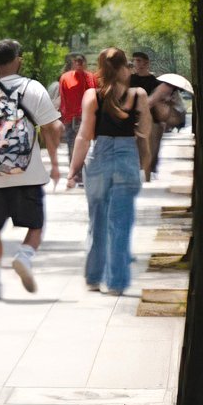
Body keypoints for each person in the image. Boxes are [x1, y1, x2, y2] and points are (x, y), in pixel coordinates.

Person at [0, 39, 63, 299]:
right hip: (28, 174)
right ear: (19, 60)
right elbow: (52, 128)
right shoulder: (33, 88)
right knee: (35, 226)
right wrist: (54, 164)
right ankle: (24, 256)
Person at [67, 48, 153, 295]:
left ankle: (94, 277)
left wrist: (73, 170)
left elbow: (84, 136)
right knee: (121, 223)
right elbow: (145, 131)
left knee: (98, 220)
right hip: (126, 158)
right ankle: (116, 282)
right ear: (125, 66)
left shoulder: (92, 95)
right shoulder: (138, 94)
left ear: (100, 68)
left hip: (99, 157)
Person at [129, 51, 171, 178]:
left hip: (152, 120)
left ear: (146, 63)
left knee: (151, 149)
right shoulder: (130, 80)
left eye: (139, 60)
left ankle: (148, 175)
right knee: (135, 150)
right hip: (134, 119)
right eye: (135, 60)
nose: (136, 63)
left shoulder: (155, 82)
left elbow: (162, 100)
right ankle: (138, 174)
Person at [58, 54, 97, 177]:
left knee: (86, 145)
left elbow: (96, 96)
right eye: (76, 61)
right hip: (71, 117)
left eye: (81, 61)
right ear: (73, 63)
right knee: (72, 145)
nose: (79, 63)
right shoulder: (65, 78)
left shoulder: (91, 77)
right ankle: (75, 173)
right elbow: (63, 97)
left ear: (85, 63)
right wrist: (64, 116)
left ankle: (82, 172)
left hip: (87, 116)